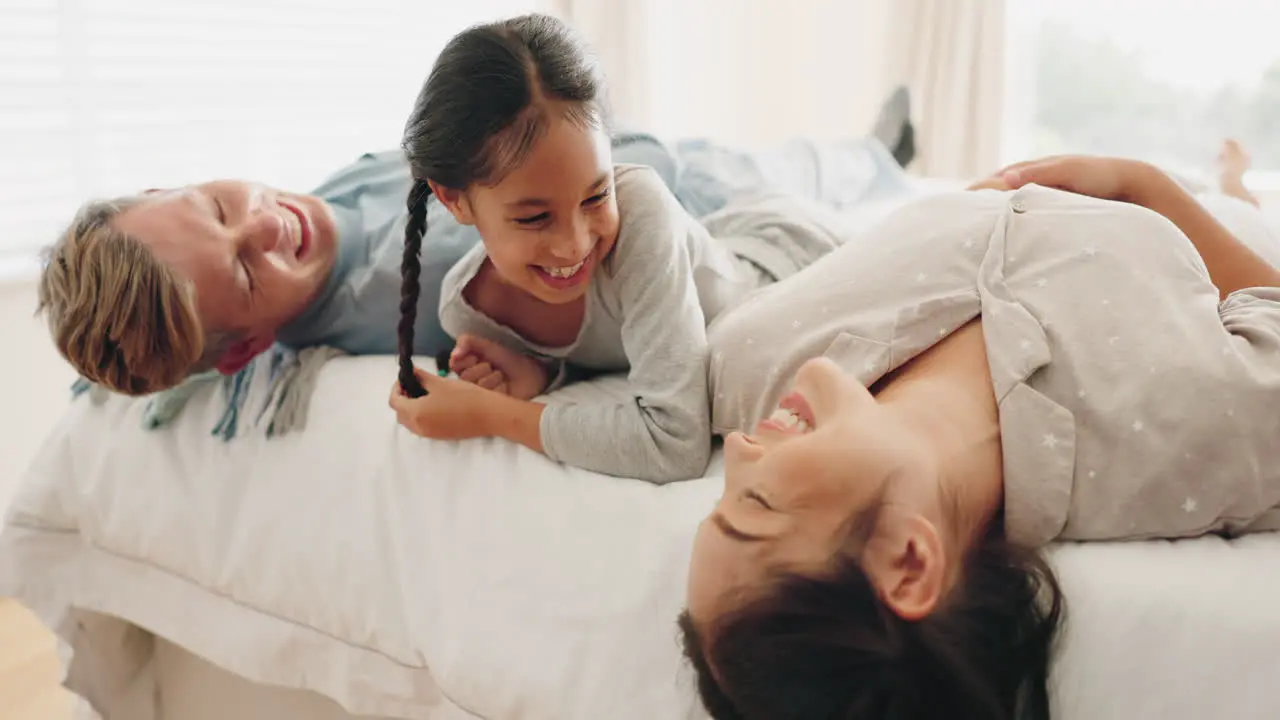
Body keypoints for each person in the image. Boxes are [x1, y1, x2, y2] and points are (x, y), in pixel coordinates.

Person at [677, 150, 1280, 719]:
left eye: (721, 493)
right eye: (753, 501)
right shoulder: (1175, 435)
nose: (738, 449)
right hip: (1196, 220)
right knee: (1240, 209)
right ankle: (1234, 186)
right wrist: (1141, 184)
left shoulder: (740, 364)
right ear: (908, 562)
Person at [384, 14, 866, 483]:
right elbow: (617, 342)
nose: (575, 244)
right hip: (712, 234)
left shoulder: (639, 211)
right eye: (534, 217)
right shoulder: (468, 312)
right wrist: (542, 373)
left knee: (831, 172)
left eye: (596, 194)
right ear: (453, 199)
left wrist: (493, 414)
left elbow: (675, 442)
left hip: (784, 248)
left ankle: (874, 149)